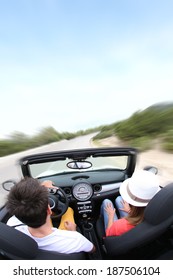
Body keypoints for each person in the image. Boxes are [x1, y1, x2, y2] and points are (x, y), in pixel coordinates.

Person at [6, 177, 95, 254]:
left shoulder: (12, 225)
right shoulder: (75, 239)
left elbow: (23, 201)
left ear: (17, 216)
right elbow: (92, 250)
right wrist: (73, 231)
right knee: (68, 210)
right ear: (49, 209)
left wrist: (41, 188)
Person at [100, 170, 160, 237]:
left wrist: (111, 216)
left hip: (117, 232)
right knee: (119, 199)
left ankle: (100, 219)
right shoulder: (157, 214)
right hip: (137, 222)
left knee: (106, 202)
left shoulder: (118, 225)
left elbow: (108, 235)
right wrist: (130, 211)